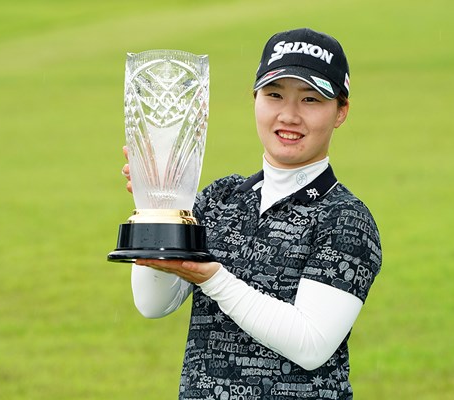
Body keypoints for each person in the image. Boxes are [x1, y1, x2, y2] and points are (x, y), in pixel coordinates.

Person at [122, 28, 382, 400]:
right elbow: (152, 304)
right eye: (274, 95)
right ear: (255, 99)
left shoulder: (346, 219)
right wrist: (159, 205)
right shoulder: (219, 198)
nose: (289, 115)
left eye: (310, 100)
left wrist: (211, 278)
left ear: (341, 111)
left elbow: (311, 344)